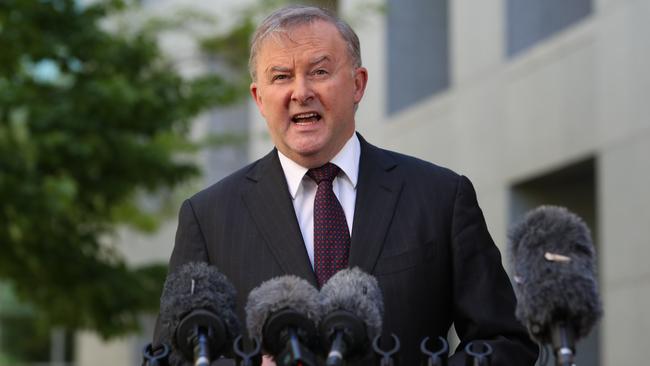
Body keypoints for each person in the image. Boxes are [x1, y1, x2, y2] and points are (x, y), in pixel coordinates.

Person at [154, 5, 538, 365]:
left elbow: (504, 341)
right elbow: (170, 356)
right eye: (281, 77)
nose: (300, 91)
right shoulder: (208, 217)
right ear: (258, 98)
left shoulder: (440, 197)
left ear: (357, 84)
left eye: (319, 72)